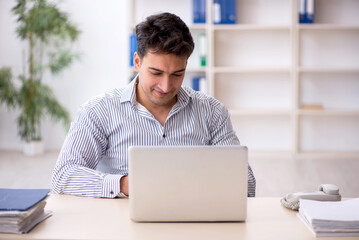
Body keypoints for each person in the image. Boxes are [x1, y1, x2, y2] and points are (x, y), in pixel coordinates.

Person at [52, 12, 256, 198]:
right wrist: (125, 184)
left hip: (193, 222)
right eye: (156, 73)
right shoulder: (99, 111)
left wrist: (199, 186)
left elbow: (246, 184)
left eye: (177, 74)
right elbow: (63, 175)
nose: (166, 86)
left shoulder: (212, 112)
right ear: (137, 62)